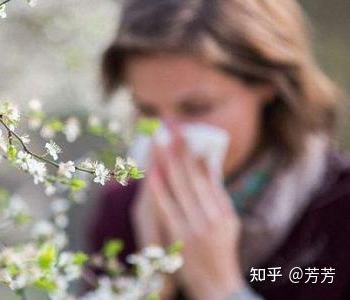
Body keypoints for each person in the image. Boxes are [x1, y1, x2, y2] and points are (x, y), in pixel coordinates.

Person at [88, 0, 350, 299]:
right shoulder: (124, 206)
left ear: (267, 83)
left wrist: (220, 287)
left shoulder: (338, 210)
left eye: (196, 108)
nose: (168, 137)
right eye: (148, 111)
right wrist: (151, 283)